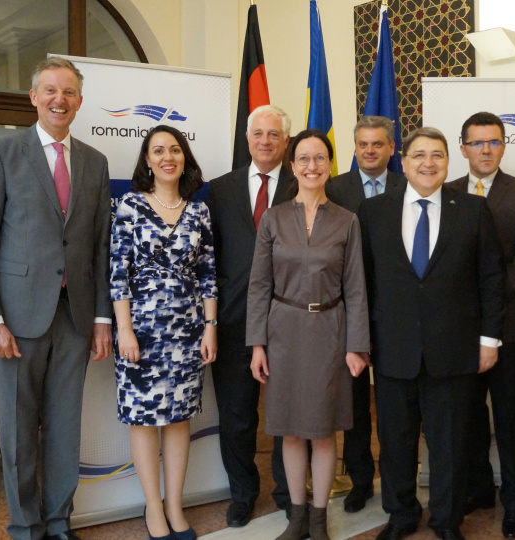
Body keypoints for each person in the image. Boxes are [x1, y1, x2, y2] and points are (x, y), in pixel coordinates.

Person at [0, 56, 112, 540]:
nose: (59, 100)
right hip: (16, 319)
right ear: (33, 98)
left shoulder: (94, 161)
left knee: (65, 430)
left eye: (68, 92)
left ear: (80, 101)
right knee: (16, 430)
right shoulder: (1, 153)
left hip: (74, 319)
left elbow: (98, 248)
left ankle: (58, 521)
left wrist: (100, 320)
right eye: (49, 90)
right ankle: (26, 526)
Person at [359, 127, 505, 540]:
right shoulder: (373, 212)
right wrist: (362, 342)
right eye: (419, 155)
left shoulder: (473, 210)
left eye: (437, 155)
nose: (428, 163)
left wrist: (489, 341)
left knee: (450, 446)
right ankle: (401, 515)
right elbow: (362, 284)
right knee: (396, 444)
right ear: (401, 162)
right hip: (392, 350)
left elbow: (491, 280)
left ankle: (446, 519)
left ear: (448, 161)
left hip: (454, 350)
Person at [247, 129, 370, 540]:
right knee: (290, 429)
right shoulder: (274, 217)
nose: (312, 166)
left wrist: (357, 346)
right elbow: (259, 285)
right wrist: (257, 345)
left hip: (329, 334)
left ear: (329, 165)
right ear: (292, 165)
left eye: (319, 158)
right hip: (283, 331)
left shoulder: (347, 220)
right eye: (303, 158)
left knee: (322, 429)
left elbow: (356, 289)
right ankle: (296, 516)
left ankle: (319, 519)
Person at [110, 125, 217, 540]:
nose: (167, 156)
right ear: (148, 160)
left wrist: (210, 329)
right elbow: (118, 275)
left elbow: (208, 274)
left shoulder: (199, 210)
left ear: (184, 158)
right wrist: (124, 330)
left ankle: (175, 504)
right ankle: (153, 507)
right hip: (141, 331)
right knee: (143, 419)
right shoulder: (129, 207)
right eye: (158, 150)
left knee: (178, 419)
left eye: (174, 149)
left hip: (189, 331)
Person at [446, 112, 515, 539]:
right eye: (478, 143)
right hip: (458, 333)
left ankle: (514, 502)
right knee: (467, 420)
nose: (486, 150)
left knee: (510, 421)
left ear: (504, 146)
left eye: (494, 142)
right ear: (463, 147)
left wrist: (487, 299)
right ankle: (479, 490)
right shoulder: (445, 192)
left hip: (510, 328)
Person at [206, 104, 292, 527]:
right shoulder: (219, 190)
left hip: (290, 324)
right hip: (233, 321)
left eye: (273, 134)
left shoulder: (305, 184)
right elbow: (209, 260)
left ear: (286, 141)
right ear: (247, 138)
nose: (265, 141)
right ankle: (242, 492)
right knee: (237, 418)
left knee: (286, 416)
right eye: (258, 133)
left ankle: (286, 490)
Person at [324, 115, 405, 513]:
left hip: (395, 313)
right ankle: (359, 480)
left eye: (378, 144)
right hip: (348, 311)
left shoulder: (410, 186)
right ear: (354, 148)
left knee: (395, 405)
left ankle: (395, 481)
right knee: (353, 403)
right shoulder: (335, 188)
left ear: (392, 148)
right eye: (363, 144)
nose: (370, 151)